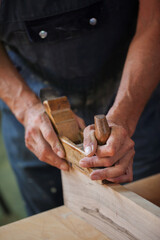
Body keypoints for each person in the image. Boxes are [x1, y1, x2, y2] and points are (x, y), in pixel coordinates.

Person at [0, 0, 160, 216]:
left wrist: (124, 117)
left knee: (142, 208)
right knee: (50, 217)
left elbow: (154, 22)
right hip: (27, 98)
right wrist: (26, 108)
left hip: (134, 88)